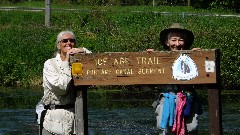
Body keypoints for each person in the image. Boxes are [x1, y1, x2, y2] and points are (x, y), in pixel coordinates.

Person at [148, 23, 203, 135]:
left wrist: (200, 57)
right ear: (167, 42)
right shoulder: (158, 58)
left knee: (192, 129)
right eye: (173, 40)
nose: (177, 44)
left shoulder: (193, 57)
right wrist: (149, 58)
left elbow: (203, 81)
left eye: (181, 40)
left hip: (188, 100)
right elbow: (146, 84)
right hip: (166, 100)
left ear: (185, 42)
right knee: (164, 130)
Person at [38, 30, 91, 135]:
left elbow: (96, 63)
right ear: (58, 45)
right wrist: (66, 62)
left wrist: (82, 50)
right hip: (52, 124)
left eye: (72, 40)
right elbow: (61, 88)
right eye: (64, 41)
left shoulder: (78, 62)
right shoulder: (50, 64)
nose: (68, 43)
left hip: (75, 123)